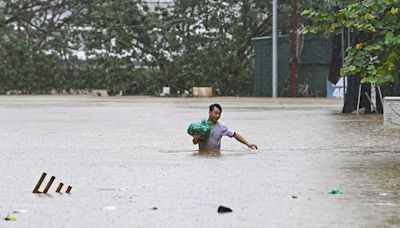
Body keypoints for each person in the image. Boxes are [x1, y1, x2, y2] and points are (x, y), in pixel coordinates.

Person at [191, 103, 258, 154]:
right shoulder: (201, 126)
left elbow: (235, 134)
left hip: (216, 156)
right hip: (202, 156)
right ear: (209, 112)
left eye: (219, 114)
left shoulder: (222, 127)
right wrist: (195, 139)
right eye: (216, 113)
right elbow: (195, 142)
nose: (217, 116)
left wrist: (248, 144)